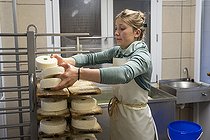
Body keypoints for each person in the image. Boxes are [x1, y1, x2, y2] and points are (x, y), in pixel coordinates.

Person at [52, 9, 158, 140]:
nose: (116, 32)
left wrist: (78, 73)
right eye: (116, 28)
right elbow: (91, 58)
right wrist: (66, 61)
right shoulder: (119, 51)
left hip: (136, 121)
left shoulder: (142, 56)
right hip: (119, 116)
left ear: (137, 32)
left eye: (122, 28)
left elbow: (123, 74)